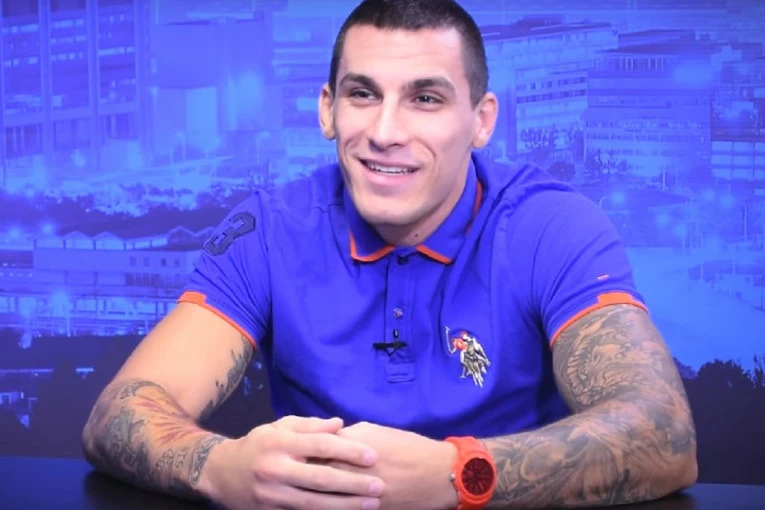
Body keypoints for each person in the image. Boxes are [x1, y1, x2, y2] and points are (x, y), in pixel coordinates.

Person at [81, 1, 698, 509]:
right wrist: (220, 468)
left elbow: (664, 434)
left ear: (481, 121)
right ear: (327, 109)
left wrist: (458, 475)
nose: (385, 132)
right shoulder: (269, 230)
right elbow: (117, 414)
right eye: (363, 94)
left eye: (425, 99)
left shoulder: (552, 226)